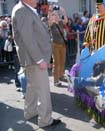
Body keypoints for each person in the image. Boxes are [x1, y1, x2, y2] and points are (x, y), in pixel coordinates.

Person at [11, 0, 61, 128]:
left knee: (32, 87)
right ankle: (45, 120)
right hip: (34, 58)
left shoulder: (26, 9)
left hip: (32, 58)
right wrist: (39, 59)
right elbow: (27, 37)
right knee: (43, 90)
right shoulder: (22, 10)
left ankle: (30, 112)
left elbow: (34, 31)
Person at [48, 5, 68, 87]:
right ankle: (56, 80)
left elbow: (66, 21)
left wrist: (64, 12)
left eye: (57, 14)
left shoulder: (60, 22)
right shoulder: (51, 24)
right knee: (56, 63)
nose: (56, 16)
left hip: (62, 44)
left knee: (62, 61)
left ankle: (61, 75)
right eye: (54, 15)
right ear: (52, 16)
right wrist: (49, 11)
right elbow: (49, 20)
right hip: (55, 45)